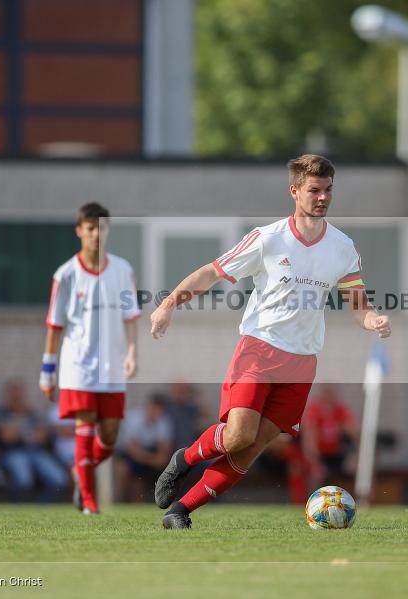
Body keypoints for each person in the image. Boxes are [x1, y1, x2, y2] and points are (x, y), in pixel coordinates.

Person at [151, 154, 392, 529]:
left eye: (328, 190)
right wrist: (168, 304)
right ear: (295, 191)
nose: (323, 198)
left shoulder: (343, 247)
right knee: (237, 436)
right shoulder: (268, 238)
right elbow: (211, 273)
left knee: (250, 450)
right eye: (315, 190)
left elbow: (357, 304)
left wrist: (373, 319)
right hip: (258, 350)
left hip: (302, 362)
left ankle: (180, 511)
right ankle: (184, 459)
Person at [39, 202, 141, 515]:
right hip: (78, 365)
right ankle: (88, 500)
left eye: (102, 228)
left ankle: (80, 470)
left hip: (111, 366)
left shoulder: (122, 270)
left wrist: (132, 352)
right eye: (91, 228)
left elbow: (130, 317)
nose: (97, 234)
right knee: (85, 425)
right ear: (80, 231)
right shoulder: (66, 275)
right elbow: (55, 325)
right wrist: (48, 370)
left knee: (109, 436)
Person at [0, 379, 68, 502]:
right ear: (9, 394)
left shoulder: (31, 413)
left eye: (19, 392)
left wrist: (19, 432)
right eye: (14, 393)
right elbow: (7, 438)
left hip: (36, 452)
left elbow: (42, 436)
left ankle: (41, 509)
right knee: (24, 480)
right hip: (14, 452)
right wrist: (27, 434)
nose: (17, 396)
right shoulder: (2, 413)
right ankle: (13, 507)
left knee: (59, 479)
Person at [116, 394, 173, 502]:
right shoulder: (134, 418)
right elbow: (131, 449)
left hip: (149, 452)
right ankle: (122, 499)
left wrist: (159, 459)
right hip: (129, 454)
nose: (156, 413)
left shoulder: (164, 420)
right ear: (148, 407)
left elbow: (165, 448)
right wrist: (152, 460)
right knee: (124, 470)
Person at [301, 386, 359, 489]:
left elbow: (354, 433)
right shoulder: (314, 411)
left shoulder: (340, 410)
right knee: (316, 473)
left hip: (337, 453)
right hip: (320, 454)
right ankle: (313, 500)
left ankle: (358, 497)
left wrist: (357, 455)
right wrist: (315, 461)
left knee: (357, 466)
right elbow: (309, 438)